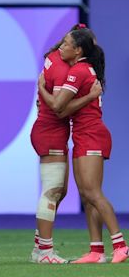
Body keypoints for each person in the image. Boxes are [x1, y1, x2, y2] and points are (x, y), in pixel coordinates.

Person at [38, 29, 129, 264]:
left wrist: (42, 89)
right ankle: (96, 250)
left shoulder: (78, 71)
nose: (61, 47)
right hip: (83, 135)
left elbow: (59, 107)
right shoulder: (83, 69)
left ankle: (120, 245)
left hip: (91, 136)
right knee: (86, 196)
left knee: (93, 193)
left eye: (66, 43)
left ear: (78, 50)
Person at [30, 26, 102, 264]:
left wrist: (41, 90)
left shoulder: (53, 57)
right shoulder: (63, 69)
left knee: (61, 191)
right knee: (52, 190)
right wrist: (90, 97)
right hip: (50, 131)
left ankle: (40, 246)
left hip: (51, 131)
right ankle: (45, 252)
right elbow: (59, 109)